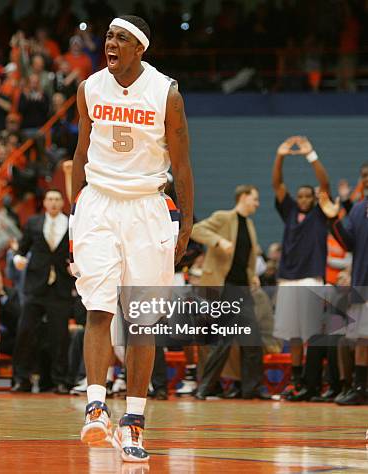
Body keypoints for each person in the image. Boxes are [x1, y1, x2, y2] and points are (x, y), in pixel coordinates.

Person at [71, 16, 193, 463]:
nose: (111, 43)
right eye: (108, 36)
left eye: (121, 37)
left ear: (140, 48)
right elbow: (79, 154)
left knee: (141, 320)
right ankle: (96, 407)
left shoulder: (166, 94)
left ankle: (134, 423)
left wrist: (187, 224)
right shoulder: (89, 88)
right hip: (100, 202)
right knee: (98, 306)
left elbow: (182, 166)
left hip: (147, 206)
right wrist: (73, 217)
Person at [271, 136, 331, 401]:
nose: (305, 199)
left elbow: (325, 184)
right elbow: (277, 184)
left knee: (312, 335)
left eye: (309, 195)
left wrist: (311, 155)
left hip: (311, 279)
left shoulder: (320, 213)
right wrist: (280, 155)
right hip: (287, 279)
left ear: (314, 198)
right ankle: (296, 381)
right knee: (293, 335)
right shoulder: (290, 211)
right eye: (301, 195)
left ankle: (312, 381)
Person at [190, 185, 263, 400]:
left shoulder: (249, 224)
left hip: (242, 288)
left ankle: (252, 389)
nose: (257, 204)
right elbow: (196, 229)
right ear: (243, 197)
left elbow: (245, 258)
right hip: (223, 288)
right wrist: (218, 241)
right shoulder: (224, 217)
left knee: (252, 339)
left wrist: (253, 275)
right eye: (255, 199)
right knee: (223, 339)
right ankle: (205, 387)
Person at [11, 189, 75, 395]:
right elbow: (21, 249)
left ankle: (61, 380)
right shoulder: (33, 223)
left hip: (61, 287)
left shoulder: (72, 223)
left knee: (60, 336)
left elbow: (78, 250)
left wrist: (75, 265)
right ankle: (22, 379)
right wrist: (18, 259)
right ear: (45, 202)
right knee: (25, 332)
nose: (54, 203)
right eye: (50, 199)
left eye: (57, 199)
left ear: (61, 202)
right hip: (35, 286)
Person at [323, 161, 368, 405]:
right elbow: (348, 242)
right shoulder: (359, 209)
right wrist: (333, 220)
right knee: (362, 339)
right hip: (362, 283)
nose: (366, 178)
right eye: (363, 175)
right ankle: (360, 388)